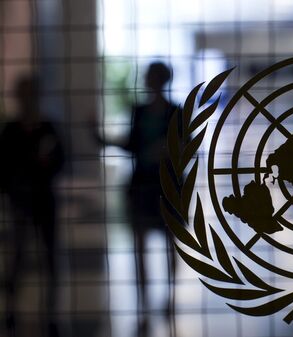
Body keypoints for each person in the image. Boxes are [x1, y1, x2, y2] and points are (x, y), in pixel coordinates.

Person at [96, 62, 178, 332]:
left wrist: (166, 151)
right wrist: (102, 139)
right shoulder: (140, 111)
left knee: (169, 244)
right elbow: (132, 144)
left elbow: (185, 148)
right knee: (142, 245)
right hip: (143, 186)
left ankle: (169, 296)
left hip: (166, 187)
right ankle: (147, 302)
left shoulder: (175, 112)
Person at [0, 75, 64, 337]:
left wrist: (43, 166)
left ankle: (51, 312)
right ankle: (12, 309)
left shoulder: (47, 126)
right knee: (18, 257)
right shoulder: (11, 130)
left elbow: (60, 161)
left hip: (43, 200)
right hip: (20, 202)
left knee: (49, 258)